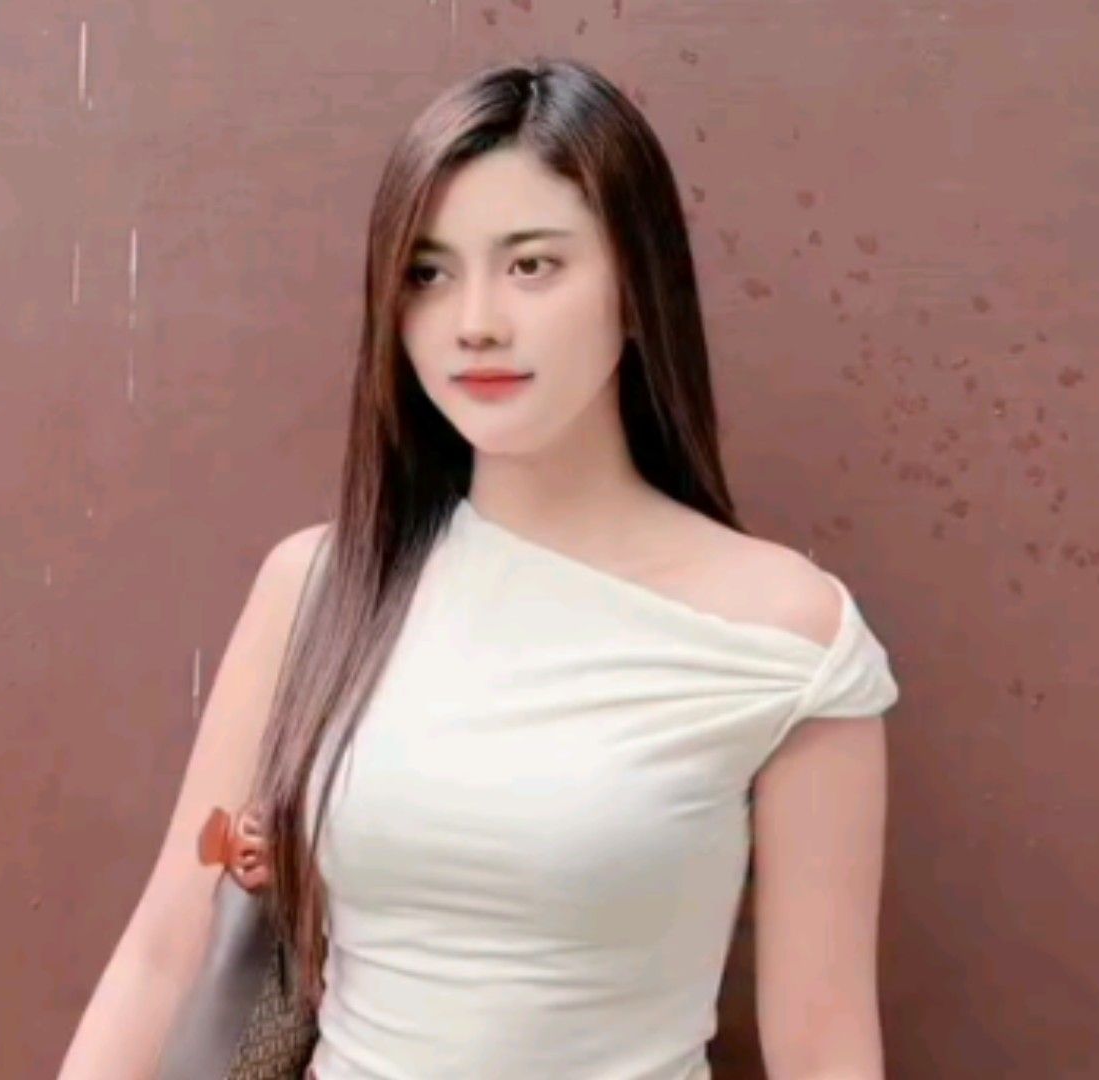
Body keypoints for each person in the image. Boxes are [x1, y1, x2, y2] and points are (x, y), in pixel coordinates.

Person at [59, 55, 902, 1080]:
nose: (476, 323)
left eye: (532, 266)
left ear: (638, 290)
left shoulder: (789, 637)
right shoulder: (320, 587)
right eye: (428, 273)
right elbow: (165, 950)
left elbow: (824, 1049)